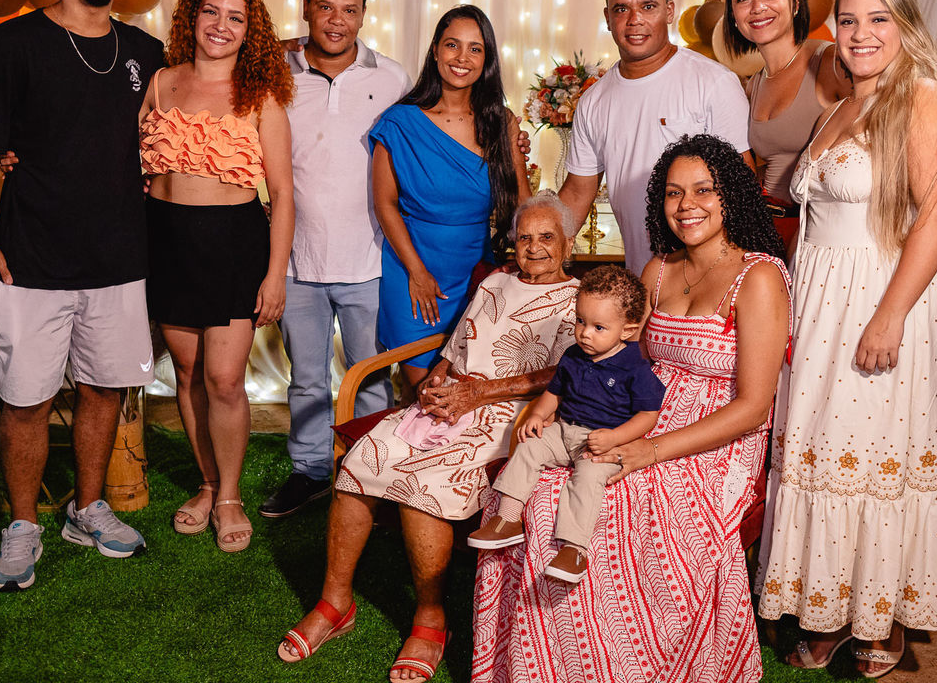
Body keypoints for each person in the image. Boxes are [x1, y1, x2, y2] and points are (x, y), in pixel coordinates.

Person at [473, 137, 792, 682]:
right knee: (539, 487)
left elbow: (753, 407)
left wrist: (648, 450)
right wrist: (559, 408)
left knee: (616, 509)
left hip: (715, 441)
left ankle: (633, 665)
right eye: (673, 193)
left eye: (702, 191)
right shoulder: (657, 272)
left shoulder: (756, 276)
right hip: (638, 412)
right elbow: (617, 365)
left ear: (730, 196)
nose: (686, 205)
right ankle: (538, 669)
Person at [755, 0, 937, 678]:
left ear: (905, 25)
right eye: (848, 20)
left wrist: (889, 316)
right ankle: (830, 610)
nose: (861, 33)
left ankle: (881, 621)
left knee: (872, 455)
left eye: (879, 18)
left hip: (884, 301)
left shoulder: (926, 99)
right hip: (822, 303)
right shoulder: (839, 106)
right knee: (820, 448)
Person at [277, 193, 578, 683]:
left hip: (515, 413)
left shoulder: (578, 299)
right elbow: (457, 344)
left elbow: (569, 372)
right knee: (362, 459)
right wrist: (437, 380)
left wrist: (481, 392)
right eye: (525, 237)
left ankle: (432, 620)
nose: (534, 247)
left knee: (428, 484)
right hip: (453, 398)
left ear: (567, 244)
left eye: (547, 237)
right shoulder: (496, 281)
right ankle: (335, 602)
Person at [0, 0, 162, 592]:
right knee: (26, 399)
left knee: (105, 389)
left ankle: (88, 506)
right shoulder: (12, 45)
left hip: (120, 260)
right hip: (31, 257)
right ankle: (22, 525)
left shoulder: (146, 53)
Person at [139, 0, 294, 552]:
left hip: (232, 241)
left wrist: (275, 274)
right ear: (192, 17)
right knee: (185, 374)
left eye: (235, 17)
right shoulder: (159, 84)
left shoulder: (261, 97)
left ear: (249, 31)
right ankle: (205, 484)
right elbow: (124, 166)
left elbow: (282, 194)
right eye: (211, 12)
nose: (221, 26)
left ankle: (229, 495)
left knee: (224, 379)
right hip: (167, 241)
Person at [258, 0, 411, 519]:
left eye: (349, 10)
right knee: (306, 380)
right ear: (306, 9)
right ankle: (310, 471)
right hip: (296, 259)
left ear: (365, 14)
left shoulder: (393, 77)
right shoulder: (275, 72)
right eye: (325, 7)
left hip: (371, 258)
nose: (337, 21)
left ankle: (374, 470)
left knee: (372, 377)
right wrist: (282, 44)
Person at [468, 265, 664, 585]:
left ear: (627, 331)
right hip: (563, 429)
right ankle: (506, 520)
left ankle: (574, 550)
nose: (585, 332)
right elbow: (554, 394)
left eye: (599, 327)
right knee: (530, 447)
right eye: (580, 321)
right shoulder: (574, 356)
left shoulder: (635, 369)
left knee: (587, 476)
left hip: (603, 440)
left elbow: (648, 415)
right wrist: (536, 415)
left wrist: (616, 437)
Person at [371, 4, 531, 395]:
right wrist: (417, 273)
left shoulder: (500, 122)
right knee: (425, 395)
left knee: (467, 394)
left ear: (487, 59)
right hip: (413, 274)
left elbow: (522, 207)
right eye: (452, 45)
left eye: (475, 49)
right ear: (436, 51)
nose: (462, 58)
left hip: (478, 277)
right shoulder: (399, 121)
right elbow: (385, 204)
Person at [558, 0, 750, 276]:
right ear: (608, 17)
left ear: (670, 11)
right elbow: (578, 192)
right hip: (642, 278)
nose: (635, 19)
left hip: (710, 281)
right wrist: (546, 245)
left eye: (648, 6)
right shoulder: (593, 101)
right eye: (622, 9)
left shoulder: (713, 83)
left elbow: (740, 189)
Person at [723, 0, 851, 249]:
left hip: (817, 234)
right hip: (765, 233)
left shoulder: (830, 62)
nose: (757, 7)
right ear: (733, 15)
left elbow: (893, 132)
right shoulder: (752, 85)